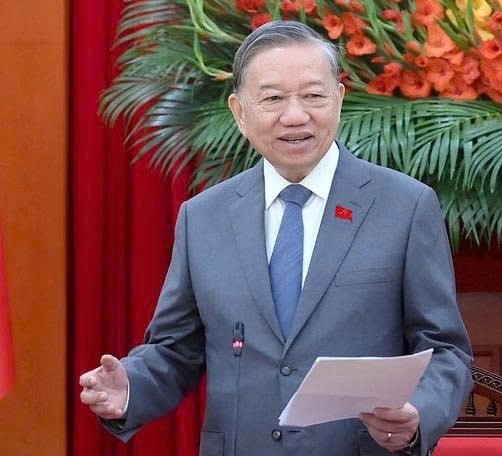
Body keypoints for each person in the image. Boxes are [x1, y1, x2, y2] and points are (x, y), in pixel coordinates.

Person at [79, 20, 473, 456]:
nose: (295, 115)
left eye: (313, 96)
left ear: (339, 99)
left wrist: (418, 412)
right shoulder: (203, 217)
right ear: (239, 113)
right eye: (272, 99)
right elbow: (176, 351)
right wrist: (131, 387)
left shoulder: (404, 206)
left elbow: (445, 350)